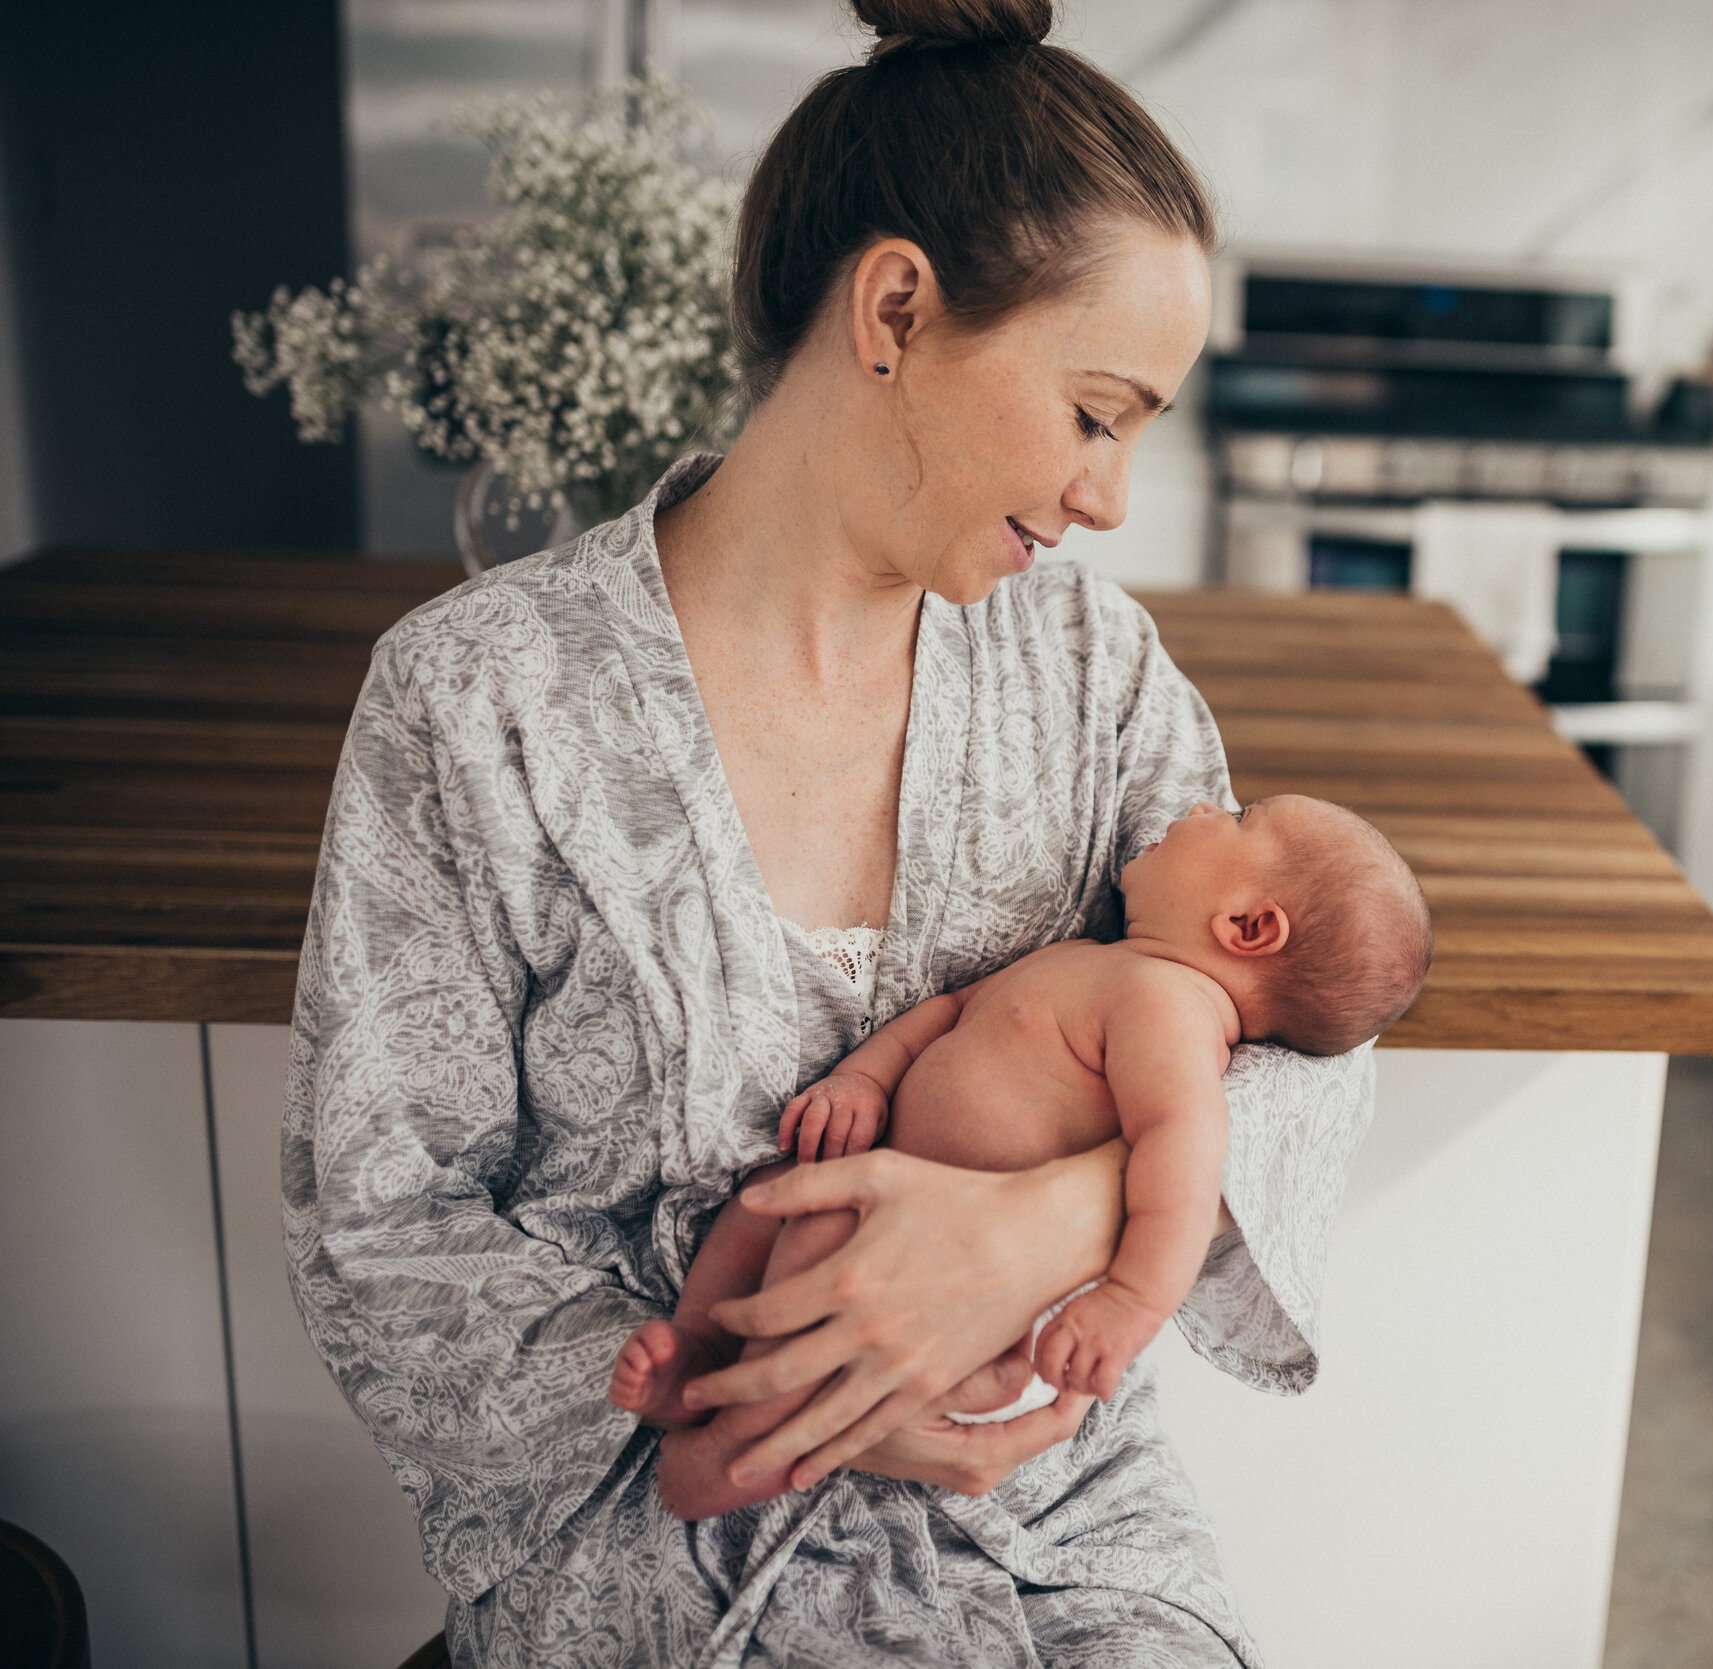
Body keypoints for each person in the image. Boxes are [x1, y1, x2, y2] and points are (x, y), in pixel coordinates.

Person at [281, 2, 1380, 1662]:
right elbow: (383, 1220)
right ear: (893, 308)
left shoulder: (1093, 672)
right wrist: (774, 1378)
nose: (1111, 500)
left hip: (1054, 1528)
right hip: (657, 1534)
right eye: (1098, 412)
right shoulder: (481, 703)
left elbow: (1302, 1048)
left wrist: (1040, 1227)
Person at [610, 795, 1432, 1522]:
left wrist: (1130, 1301)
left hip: (955, 1266)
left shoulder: (1172, 1012)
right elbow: (951, 1012)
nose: (1203, 805)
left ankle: (735, 1456)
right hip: (888, 1174)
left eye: (1240, 817)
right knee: (768, 1196)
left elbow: (1183, 1158)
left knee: (816, 1247)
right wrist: (865, 1077)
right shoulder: (1109, 965)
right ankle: (703, 1352)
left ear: (1248, 925)